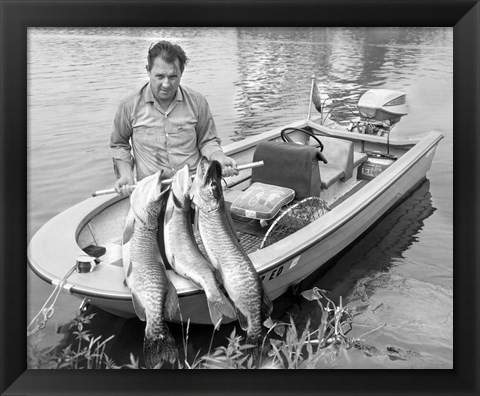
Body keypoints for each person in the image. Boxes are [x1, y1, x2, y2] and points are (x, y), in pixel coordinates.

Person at [110, 40, 238, 196]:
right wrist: (126, 174)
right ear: (148, 71)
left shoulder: (198, 102)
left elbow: (207, 140)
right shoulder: (128, 105)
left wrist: (219, 157)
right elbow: (119, 144)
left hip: (192, 188)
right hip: (152, 192)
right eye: (160, 76)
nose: (166, 84)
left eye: (172, 77)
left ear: (181, 74)